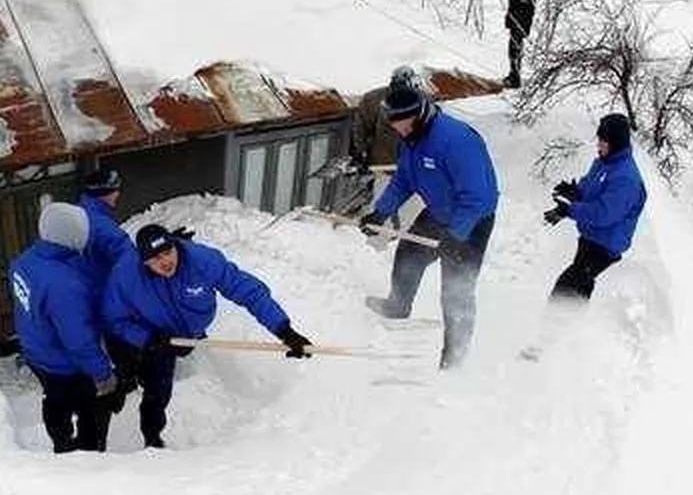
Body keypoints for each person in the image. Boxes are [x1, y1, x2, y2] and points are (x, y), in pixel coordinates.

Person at [103, 224, 312, 449]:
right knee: (144, 375)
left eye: (167, 252)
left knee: (159, 386)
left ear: (175, 245)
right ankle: (134, 402)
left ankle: (150, 430)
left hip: (183, 335)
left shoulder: (201, 261)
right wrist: (146, 339)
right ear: (143, 261)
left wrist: (284, 330)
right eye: (155, 259)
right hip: (149, 331)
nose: (165, 262)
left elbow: (247, 290)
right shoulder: (125, 275)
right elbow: (113, 319)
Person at [358, 85, 499, 370]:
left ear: (419, 115)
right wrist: (380, 213)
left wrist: (456, 234)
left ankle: (455, 356)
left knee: (456, 290)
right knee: (408, 255)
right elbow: (404, 180)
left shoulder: (456, 141)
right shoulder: (411, 139)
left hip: (471, 221)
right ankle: (397, 305)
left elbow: (479, 196)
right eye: (393, 122)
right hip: (438, 212)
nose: (397, 129)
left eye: (401, 122)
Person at [9, 203, 118, 453]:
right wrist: (103, 374)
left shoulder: (23, 261)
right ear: (72, 237)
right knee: (90, 408)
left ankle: (60, 440)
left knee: (55, 400)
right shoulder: (64, 286)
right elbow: (78, 341)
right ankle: (85, 455)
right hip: (65, 364)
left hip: (35, 350)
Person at [542, 113, 647, 301]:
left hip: (604, 248)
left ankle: (557, 328)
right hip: (590, 240)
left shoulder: (626, 178)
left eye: (603, 141)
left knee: (567, 290)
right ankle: (564, 327)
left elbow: (603, 213)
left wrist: (569, 210)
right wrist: (575, 192)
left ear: (615, 143)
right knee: (574, 289)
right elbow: (590, 190)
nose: (598, 145)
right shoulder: (604, 164)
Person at [330, 66, 425, 218]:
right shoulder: (374, 100)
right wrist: (360, 154)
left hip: (412, 168)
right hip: (382, 167)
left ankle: (396, 235)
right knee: (379, 204)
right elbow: (360, 130)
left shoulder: (421, 101)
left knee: (408, 210)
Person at [76, 168, 139, 301]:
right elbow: (131, 261)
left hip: (80, 287)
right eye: (115, 190)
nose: (118, 194)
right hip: (101, 293)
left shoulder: (77, 212)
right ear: (103, 193)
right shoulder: (104, 228)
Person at [503, 0, 535, 88]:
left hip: (519, 28)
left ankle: (515, 79)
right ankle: (513, 76)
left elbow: (518, 10)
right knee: (514, 52)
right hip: (518, 27)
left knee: (514, 53)